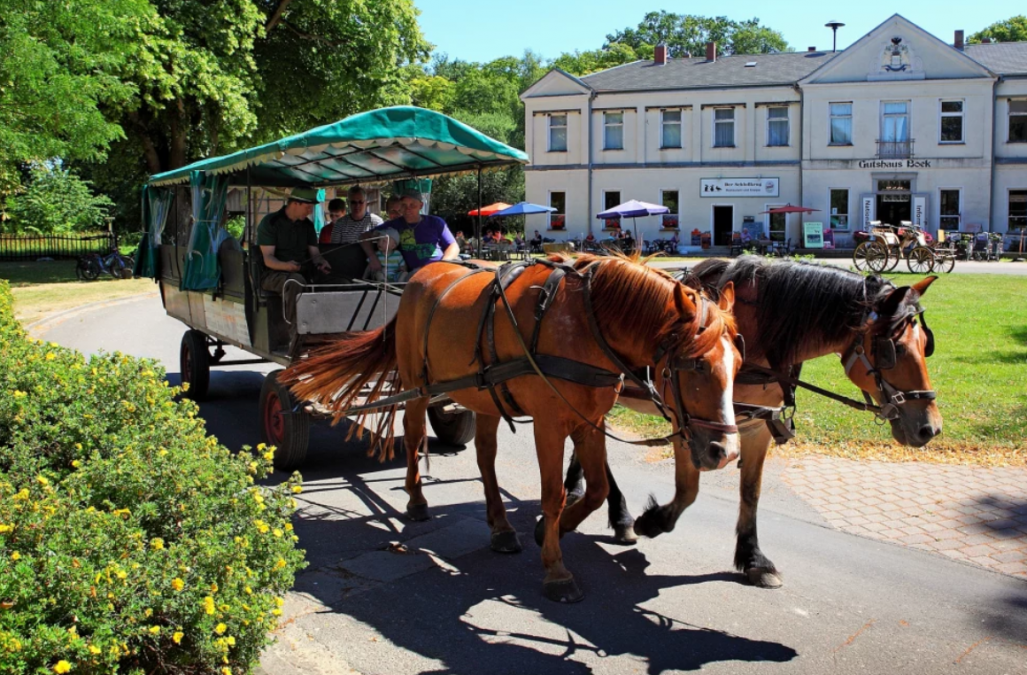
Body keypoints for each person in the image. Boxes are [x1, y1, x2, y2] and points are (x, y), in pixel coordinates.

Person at [256, 187, 331, 325]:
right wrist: (286, 266)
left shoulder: (308, 226)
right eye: (308, 207)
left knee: (336, 281)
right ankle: (296, 333)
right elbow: (268, 259)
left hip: (303, 271)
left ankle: (329, 330)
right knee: (295, 282)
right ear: (295, 203)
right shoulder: (270, 223)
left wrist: (322, 262)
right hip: (273, 274)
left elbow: (315, 255)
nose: (310, 211)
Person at [361, 190, 459, 275]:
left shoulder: (435, 222)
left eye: (412, 205)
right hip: (414, 274)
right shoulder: (394, 225)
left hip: (440, 268)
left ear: (420, 205)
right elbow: (364, 236)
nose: (408, 209)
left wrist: (443, 265)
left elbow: (453, 246)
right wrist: (372, 257)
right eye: (404, 205)